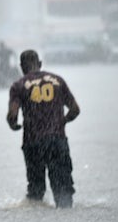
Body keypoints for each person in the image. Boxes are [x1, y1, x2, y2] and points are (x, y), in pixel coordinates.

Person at [6, 50, 80, 208]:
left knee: (36, 192)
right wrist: (62, 122)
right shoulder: (58, 81)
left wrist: (13, 125)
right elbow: (75, 110)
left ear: (22, 67)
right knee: (64, 192)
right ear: (39, 64)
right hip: (57, 141)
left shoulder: (18, 86)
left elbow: (13, 115)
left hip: (33, 143)